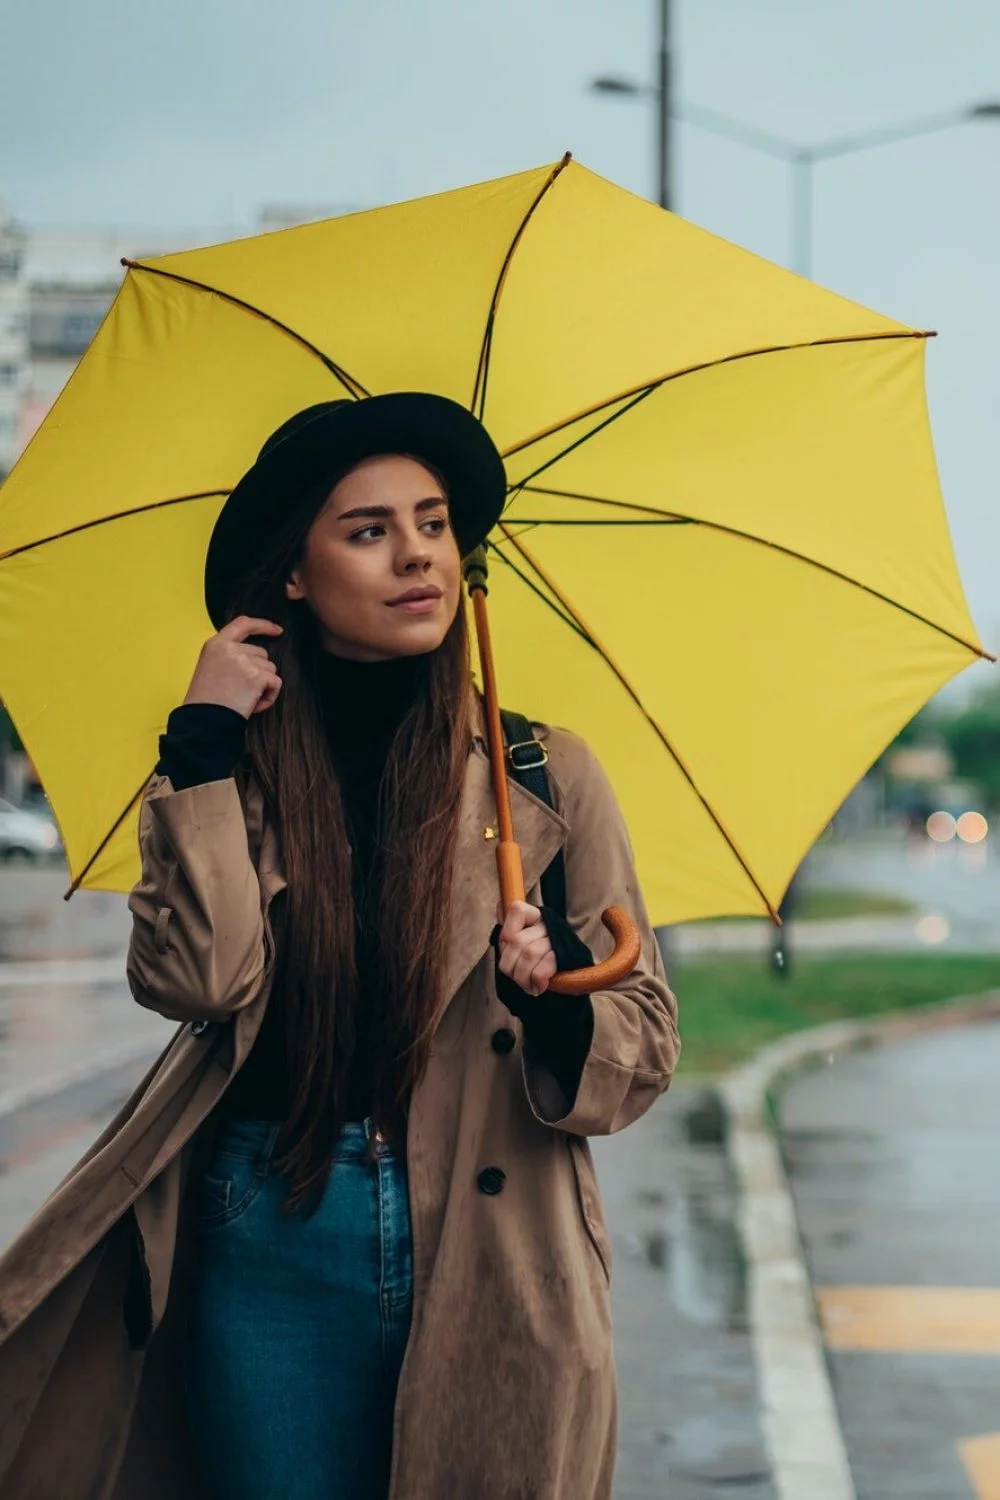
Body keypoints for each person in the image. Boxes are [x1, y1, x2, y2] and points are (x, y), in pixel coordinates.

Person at [0, 393, 679, 1500]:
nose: (415, 554)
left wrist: (558, 991)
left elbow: (643, 1048)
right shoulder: (236, 765)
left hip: (500, 1243)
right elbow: (195, 979)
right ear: (297, 579)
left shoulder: (545, 775)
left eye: (433, 521)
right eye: (367, 531)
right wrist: (205, 742)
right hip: (270, 1222)